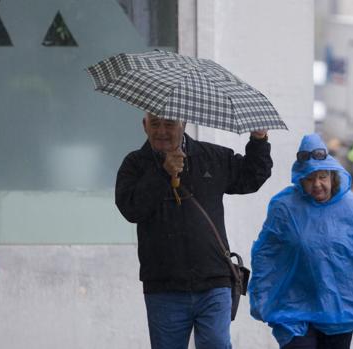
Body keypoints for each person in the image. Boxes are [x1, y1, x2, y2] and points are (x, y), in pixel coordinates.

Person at [115, 112, 272, 349]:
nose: (161, 131)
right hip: (164, 286)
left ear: (184, 123)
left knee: (217, 343)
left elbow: (251, 177)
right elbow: (131, 209)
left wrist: (259, 139)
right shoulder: (135, 164)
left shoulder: (212, 157)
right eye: (154, 123)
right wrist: (162, 173)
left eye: (169, 123)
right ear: (144, 125)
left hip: (214, 281)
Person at [248, 133, 353, 349]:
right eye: (309, 178)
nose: (317, 184)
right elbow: (266, 254)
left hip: (337, 310)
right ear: (300, 179)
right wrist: (261, 294)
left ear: (332, 177)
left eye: (322, 177)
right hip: (293, 308)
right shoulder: (285, 208)